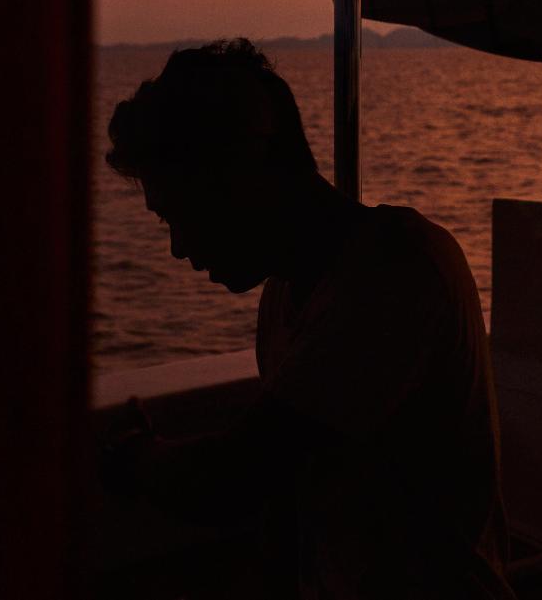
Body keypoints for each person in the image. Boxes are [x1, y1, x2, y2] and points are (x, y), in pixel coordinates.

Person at [100, 39, 513, 599]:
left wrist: (134, 457)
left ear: (242, 177)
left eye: (183, 213)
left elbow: (238, 476)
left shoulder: (397, 269)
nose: (178, 247)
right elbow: (290, 510)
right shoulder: (285, 301)